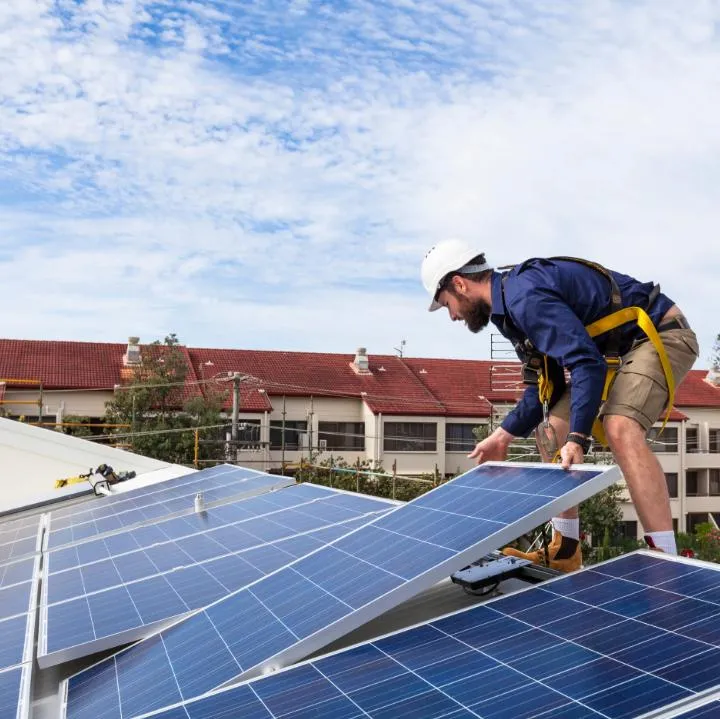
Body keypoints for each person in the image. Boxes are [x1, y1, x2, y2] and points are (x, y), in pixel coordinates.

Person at [421, 239, 699, 572]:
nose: (452, 316)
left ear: (460, 284)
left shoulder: (525, 297)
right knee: (551, 430)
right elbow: (544, 389)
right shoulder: (508, 309)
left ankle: (666, 562)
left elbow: (586, 364)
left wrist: (578, 438)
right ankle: (565, 551)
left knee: (619, 427)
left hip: (659, 334)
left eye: (447, 303)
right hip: (612, 352)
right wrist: (502, 436)